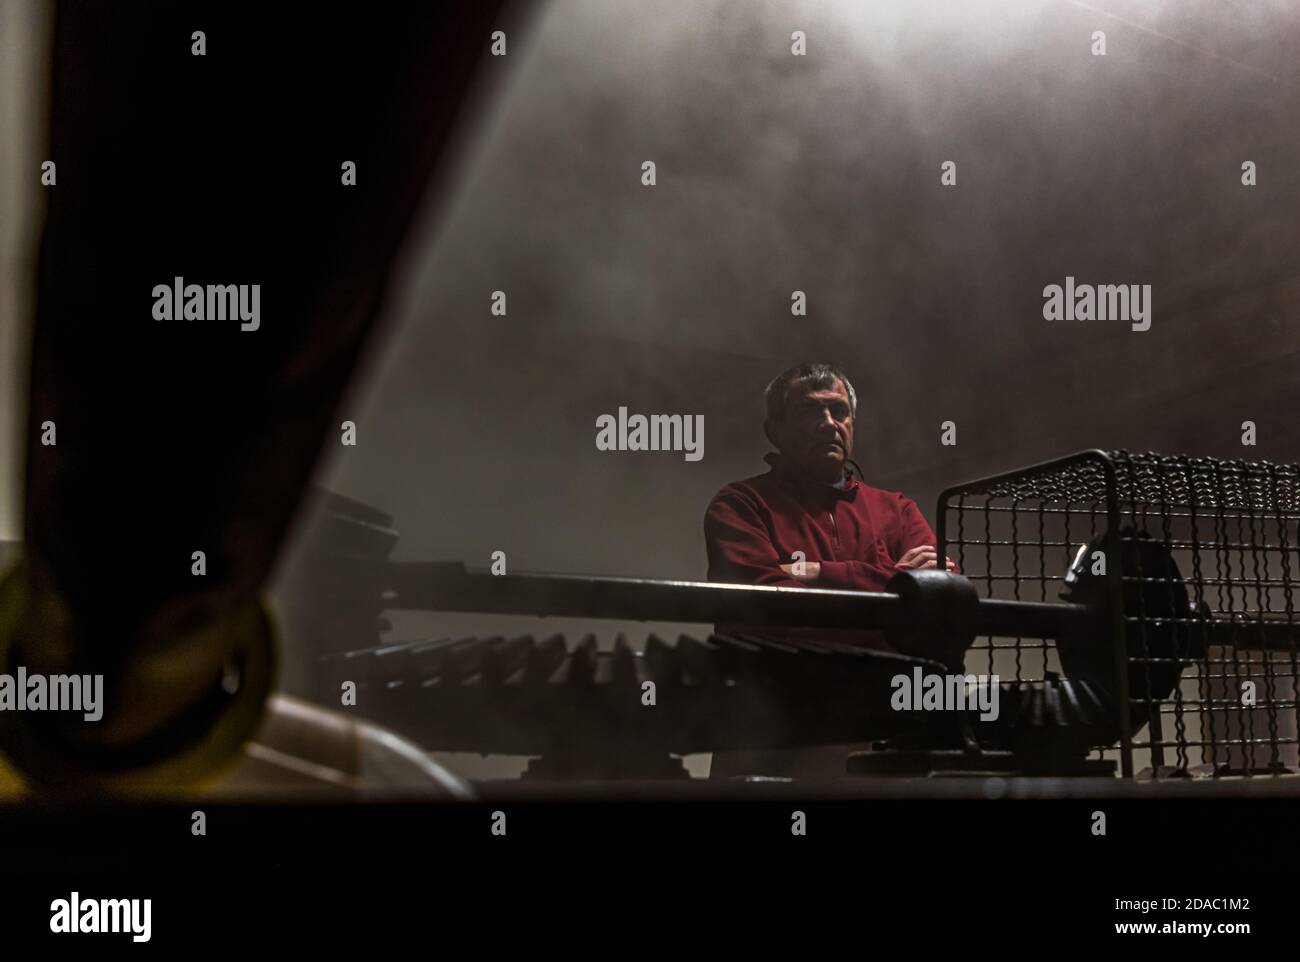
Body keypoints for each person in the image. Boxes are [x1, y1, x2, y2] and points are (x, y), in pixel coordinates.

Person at [703, 361, 955, 779]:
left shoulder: (898, 508)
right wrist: (893, 586)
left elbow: (941, 597)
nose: (827, 424)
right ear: (775, 431)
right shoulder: (739, 504)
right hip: (771, 737)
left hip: (880, 730)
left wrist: (819, 573)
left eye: (839, 411)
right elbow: (764, 610)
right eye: (808, 412)